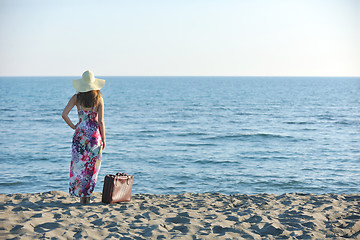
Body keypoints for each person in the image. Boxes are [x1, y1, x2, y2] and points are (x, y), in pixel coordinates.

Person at [62, 70, 106, 204]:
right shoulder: (98, 98)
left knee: (79, 165)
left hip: (80, 134)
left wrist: (74, 126)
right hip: (94, 136)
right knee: (92, 166)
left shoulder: (77, 98)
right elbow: (101, 122)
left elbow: (64, 114)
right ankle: (88, 196)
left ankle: (82, 197)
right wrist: (104, 139)